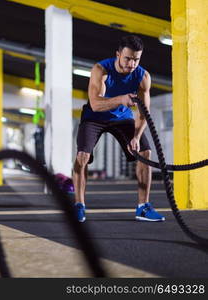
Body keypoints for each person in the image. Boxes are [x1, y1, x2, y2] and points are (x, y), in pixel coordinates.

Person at [73, 35, 165, 222]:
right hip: (94, 117)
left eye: (136, 59)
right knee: (82, 156)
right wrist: (121, 99)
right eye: (128, 58)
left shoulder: (143, 76)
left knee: (145, 152)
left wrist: (137, 136)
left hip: (122, 119)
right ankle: (79, 205)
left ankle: (143, 207)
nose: (132, 64)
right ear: (118, 55)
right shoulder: (101, 70)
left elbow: (143, 113)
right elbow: (96, 104)